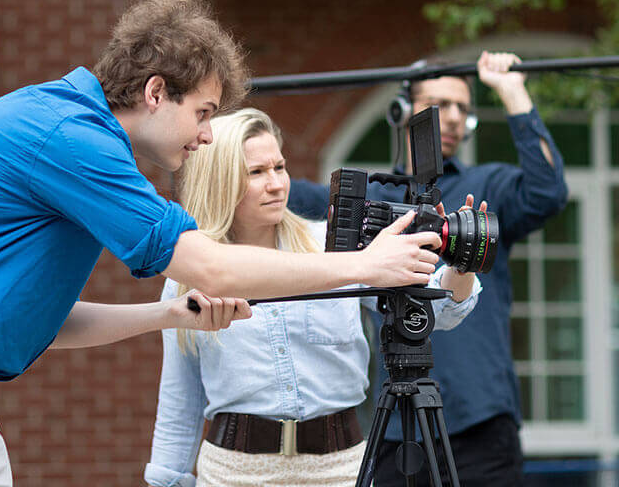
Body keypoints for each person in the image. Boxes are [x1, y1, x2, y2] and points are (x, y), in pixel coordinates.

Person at [0, 0, 446, 487]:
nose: (204, 137)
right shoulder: (74, 139)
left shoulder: (66, 129)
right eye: (203, 113)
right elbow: (213, 267)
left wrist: (171, 314)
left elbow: (50, 323)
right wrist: (364, 266)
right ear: (155, 93)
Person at [143, 108, 482, 487]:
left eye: (280, 167)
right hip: (233, 473)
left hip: (339, 469)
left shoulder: (337, 247)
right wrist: (167, 480)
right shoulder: (187, 277)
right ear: (220, 180)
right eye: (257, 172)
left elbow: (442, 311)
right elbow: (180, 402)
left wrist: (461, 260)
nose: (276, 183)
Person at [289, 51, 569, 486]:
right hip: (397, 423)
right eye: (440, 105)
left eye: (463, 108)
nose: (454, 118)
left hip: (482, 423)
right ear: (403, 112)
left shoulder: (486, 188)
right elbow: (281, 198)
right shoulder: (374, 199)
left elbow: (548, 192)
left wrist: (512, 89)